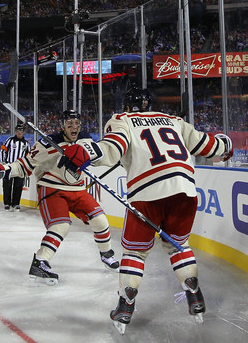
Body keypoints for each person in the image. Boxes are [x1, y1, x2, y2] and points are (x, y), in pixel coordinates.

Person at [58, 88, 234, 333]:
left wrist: (85, 152)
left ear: (129, 106)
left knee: (135, 253)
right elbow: (208, 145)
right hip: (185, 191)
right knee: (178, 246)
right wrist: (225, 144)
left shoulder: (123, 120)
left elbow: (113, 148)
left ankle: (125, 306)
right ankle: (194, 293)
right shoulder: (174, 121)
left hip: (147, 194)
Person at [0, 110, 120, 285]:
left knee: (101, 220)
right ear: (62, 126)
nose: (74, 127)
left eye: (77, 123)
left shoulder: (86, 138)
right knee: (61, 226)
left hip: (77, 189)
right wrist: (5, 169)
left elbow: (98, 156)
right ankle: (40, 262)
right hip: (52, 189)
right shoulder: (47, 143)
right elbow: (25, 164)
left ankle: (106, 254)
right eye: (69, 123)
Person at [0, 122, 30, 211]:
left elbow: (28, 156)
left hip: (20, 167)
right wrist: (3, 163)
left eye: (21, 130)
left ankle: (16, 203)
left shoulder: (26, 143)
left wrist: (26, 167)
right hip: (9, 166)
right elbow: (3, 150)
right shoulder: (10, 140)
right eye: (17, 130)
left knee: (18, 186)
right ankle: (7, 203)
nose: (19, 132)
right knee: (7, 185)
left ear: (23, 132)